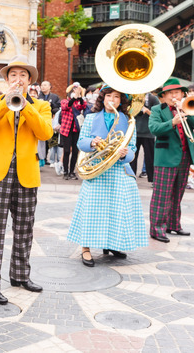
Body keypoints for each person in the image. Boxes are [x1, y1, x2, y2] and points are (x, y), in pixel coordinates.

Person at [0, 56, 53, 305]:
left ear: (30, 80)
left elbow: (46, 133)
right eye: (13, 76)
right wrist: (6, 102)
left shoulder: (41, 106)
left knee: (24, 229)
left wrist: (26, 104)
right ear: (6, 80)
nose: (17, 79)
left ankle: (20, 276)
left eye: (22, 75)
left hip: (27, 173)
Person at [67, 86, 148, 266]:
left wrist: (125, 153)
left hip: (119, 171)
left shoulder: (128, 120)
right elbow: (81, 142)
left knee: (117, 210)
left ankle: (111, 244)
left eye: (116, 96)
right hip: (96, 170)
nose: (112, 99)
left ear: (121, 100)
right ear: (102, 98)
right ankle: (86, 248)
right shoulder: (91, 117)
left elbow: (133, 150)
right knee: (92, 209)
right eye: (108, 95)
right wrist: (92, 142)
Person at [148, 78, 194, 243]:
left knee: (177, 194)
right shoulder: (157, 109)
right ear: (164, 96)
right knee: (162, 195)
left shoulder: (187, 107)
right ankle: (156, 229)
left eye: (177, 92)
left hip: (185, 157)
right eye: (171, 93)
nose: (175, 96)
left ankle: (173, 224)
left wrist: (186, 111)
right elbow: (154, 129)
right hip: (165, 158)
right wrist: (172, 122)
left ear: (182, 94)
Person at [130, 92, 159, 183]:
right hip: (135, 132)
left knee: (150, 157)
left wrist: (147, 111)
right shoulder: (132, 97)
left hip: (148, 132)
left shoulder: (153, 98)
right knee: (132, 157)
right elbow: (128, 112)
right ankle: (131, 178)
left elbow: (158, 115)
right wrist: (136, 109)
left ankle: (152, 179)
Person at [60, 83, 87, 180]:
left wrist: (80, 96)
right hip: (66, 130)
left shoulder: (78, 103)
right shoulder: (64, 101)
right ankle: (65, 172)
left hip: (76, 129)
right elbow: (66, 106)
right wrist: (74, 97)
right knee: (66, 151)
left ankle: (72, 172)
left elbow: (84, 106)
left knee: (75, 151)